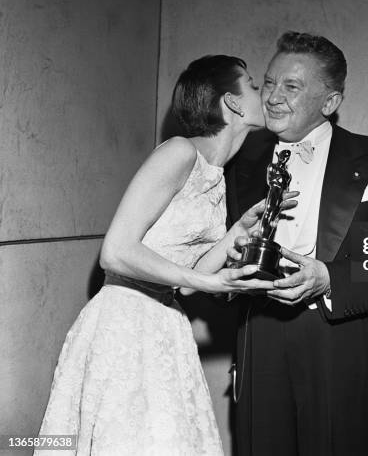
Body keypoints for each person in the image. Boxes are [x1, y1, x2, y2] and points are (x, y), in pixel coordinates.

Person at [35, 55, 296, 456]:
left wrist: (236, 234)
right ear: (233, 102)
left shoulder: (215, 173)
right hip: (123, 322)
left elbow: (184, 284)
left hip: (166, 324)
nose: (264, 92)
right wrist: (208, 281)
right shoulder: (178, 152)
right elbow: (116, 252)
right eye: (254, 85)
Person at [225, 32, 368, 456]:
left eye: (292, 87)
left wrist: (327, 278)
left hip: (343, 336)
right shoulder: (240, 159)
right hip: (259, 334)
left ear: (330, 102)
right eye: (270, 83)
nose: (273, 97)